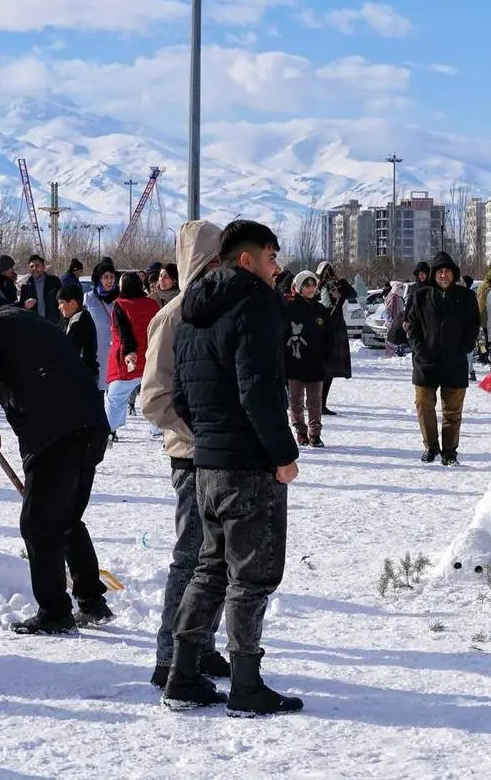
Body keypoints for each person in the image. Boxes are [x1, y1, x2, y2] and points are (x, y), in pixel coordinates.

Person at [164, 220, 302, 716]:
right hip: (247, 464)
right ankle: (246, 685)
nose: (277, 267)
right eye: (270, 257)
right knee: (252, 576)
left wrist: (211, 438)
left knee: (210, 568)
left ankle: (182, 676)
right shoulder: (256, 303)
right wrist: (282, 455)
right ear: (246, 260)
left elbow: (179, 394)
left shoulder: (192, 309)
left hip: (206, 462)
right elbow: (258, 389)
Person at [0, 277, 113, 635]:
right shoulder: (36, 321)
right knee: (66, 517)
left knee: (38, 524)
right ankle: (91, 599)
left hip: (53, 433)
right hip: (91, 425)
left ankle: (55, 612)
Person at [140, 220, 230, 690]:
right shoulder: (173, 316)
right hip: (191, 457)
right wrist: (199, 433)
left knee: (218, 561)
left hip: (220, 456)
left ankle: (202, 644)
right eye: (216, 261)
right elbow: (153, 397)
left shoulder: (220, 310)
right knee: (191, 558)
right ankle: (168, 654)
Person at [406, 251, 481, 467]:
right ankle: (430, 447)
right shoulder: (422, 295)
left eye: (448, 271)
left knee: (452, 410)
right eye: (440, 271)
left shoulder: (465, 296)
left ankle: (449, 451)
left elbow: (473, 325)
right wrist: (419, 349)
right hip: (425, 361)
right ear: (434, 274)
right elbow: (411, 324)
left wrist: (465, 347)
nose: (444, 275)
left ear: (454, 273)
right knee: (423, 405)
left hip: (454, 361)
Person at [104, 273, 160, 441]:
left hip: (127, 360)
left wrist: (129, 352)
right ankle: (157, 428)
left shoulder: (121, 305)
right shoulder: (152, 304)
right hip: (151, 358)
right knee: (154, 394)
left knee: (116, 397)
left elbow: (124, 331)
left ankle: (110, 429)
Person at [285, 271, 331, 448]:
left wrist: (324, 355)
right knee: (295, 400)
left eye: (313, 285)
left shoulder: (321, 310)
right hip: (295, 363)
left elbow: (329, 337)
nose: (310, 289)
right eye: (306, 285)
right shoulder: (290, 309)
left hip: (315, 364)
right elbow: (283, 335)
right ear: (298, 287)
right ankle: (301, 432)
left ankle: (315, 434)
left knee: (315, 401)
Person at [316, 262, 356, 416]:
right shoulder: (323, 287)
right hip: (328, 328)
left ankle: (321, 403)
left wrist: (342, 284)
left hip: (333, 328)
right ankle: (318, 403)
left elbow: (352, 294)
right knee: (325, 370)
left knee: (328, 370)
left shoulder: (335, 286)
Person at [84, 262, 119, 393]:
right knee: (97, 393)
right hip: (97, 353)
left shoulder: (120, 298)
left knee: (115, 395)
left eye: (112, 277)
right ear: (99, 279)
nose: (109, 280)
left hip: (116, 353)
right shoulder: (88, 298)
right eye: (105, 277)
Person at [57, 284, 99, 381]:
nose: (59, 307)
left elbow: (69, 349)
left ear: (72, 303)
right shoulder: (74, 318)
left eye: (61, 303)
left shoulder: (80, 322)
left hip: (84, 377)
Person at [18, 254, 63, 323]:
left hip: (53, 324)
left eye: (37, 266)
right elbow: (21, 306)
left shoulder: (54, 281)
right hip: (35, 324)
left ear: (43, 267)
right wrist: (25, 305)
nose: (34, 268)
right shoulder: (25, 285)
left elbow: (62, 300)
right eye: (32, 266)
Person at [385, 280, 409, 357]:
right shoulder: (393, 297)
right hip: (393, 321)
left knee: (397, 337)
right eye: (401, 288)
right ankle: (390, 354)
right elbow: (389, 309)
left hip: (399, 321)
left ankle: (397, 352)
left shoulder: (399, 297)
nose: (402, 290)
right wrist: (390, 319)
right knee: (392, 338)